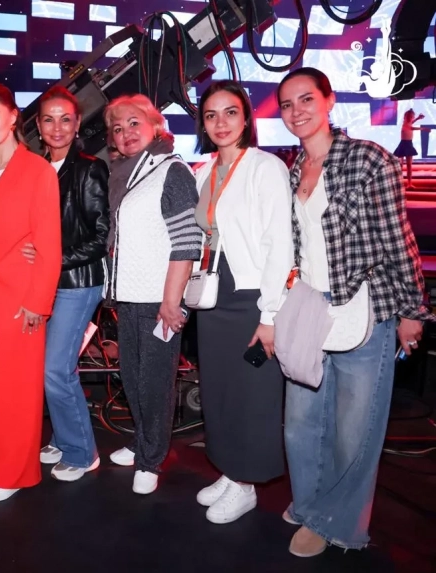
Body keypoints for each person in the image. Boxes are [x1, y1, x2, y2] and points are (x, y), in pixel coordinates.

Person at [278, 67, 430, 557]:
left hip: (365, 307)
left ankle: (337, 522)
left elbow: (398, 240)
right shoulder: (293, 167)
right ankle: (310, 503)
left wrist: (412, 311)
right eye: (287, 104)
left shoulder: (368, 159)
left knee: (354, 429)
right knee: (301, 424)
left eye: (306, 99)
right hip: (310, 308)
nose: (296, 111)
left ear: (328, 101)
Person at [191, 80, 293, 523]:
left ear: (247, 118)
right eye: (211, 115)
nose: (221, 122)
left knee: (253, 392)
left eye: (230, 112)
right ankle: (230, 471)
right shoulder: (204, 171)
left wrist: (270, 314)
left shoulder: (265, 167)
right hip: (214, 293)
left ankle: (247, 483)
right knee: (220, 389)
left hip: (252, 295)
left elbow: (280, 245)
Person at [104, 94, 203, 495]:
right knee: (132, 379)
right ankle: (142, 441)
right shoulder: (129, 174)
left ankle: (151, 459)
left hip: (159, 298)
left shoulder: (172, 170)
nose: (125, 133)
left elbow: (187, 242)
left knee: (155, 384)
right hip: (129, 296)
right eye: (117, 128)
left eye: (134, 123)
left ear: (155, 127)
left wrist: (171, 301)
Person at [0, 82, 61, 503]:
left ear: (12, 116)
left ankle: (13, 472)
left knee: (16, 393)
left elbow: (49, 246)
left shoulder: (38, 170)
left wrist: (37, 302)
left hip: (20, 299)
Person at [28, 86, 109, 482]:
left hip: (78, 282)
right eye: (49, 119)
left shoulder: (89, 168)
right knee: (49, 369)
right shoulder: (36, 169)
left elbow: (101, 236)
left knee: (56, 370)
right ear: (39, 126)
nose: (57, 127)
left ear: (78, 124)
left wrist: (52, 259)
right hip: (45, 284)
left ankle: (81, 452)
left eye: (65, 119)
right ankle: (63, 437)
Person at [393, 109, 430, 187]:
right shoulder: (405, 124)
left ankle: (409, 183)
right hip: (403, 144)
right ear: (405, 117)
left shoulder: (408, 123)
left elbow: (411, 123)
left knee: (409, 165)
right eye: (409, 116)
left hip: (408, 144)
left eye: (411, 116)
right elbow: (411, 127)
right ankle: (399, 182)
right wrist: (423, 129)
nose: (410, 118)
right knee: (400, 165)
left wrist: (418, 118)